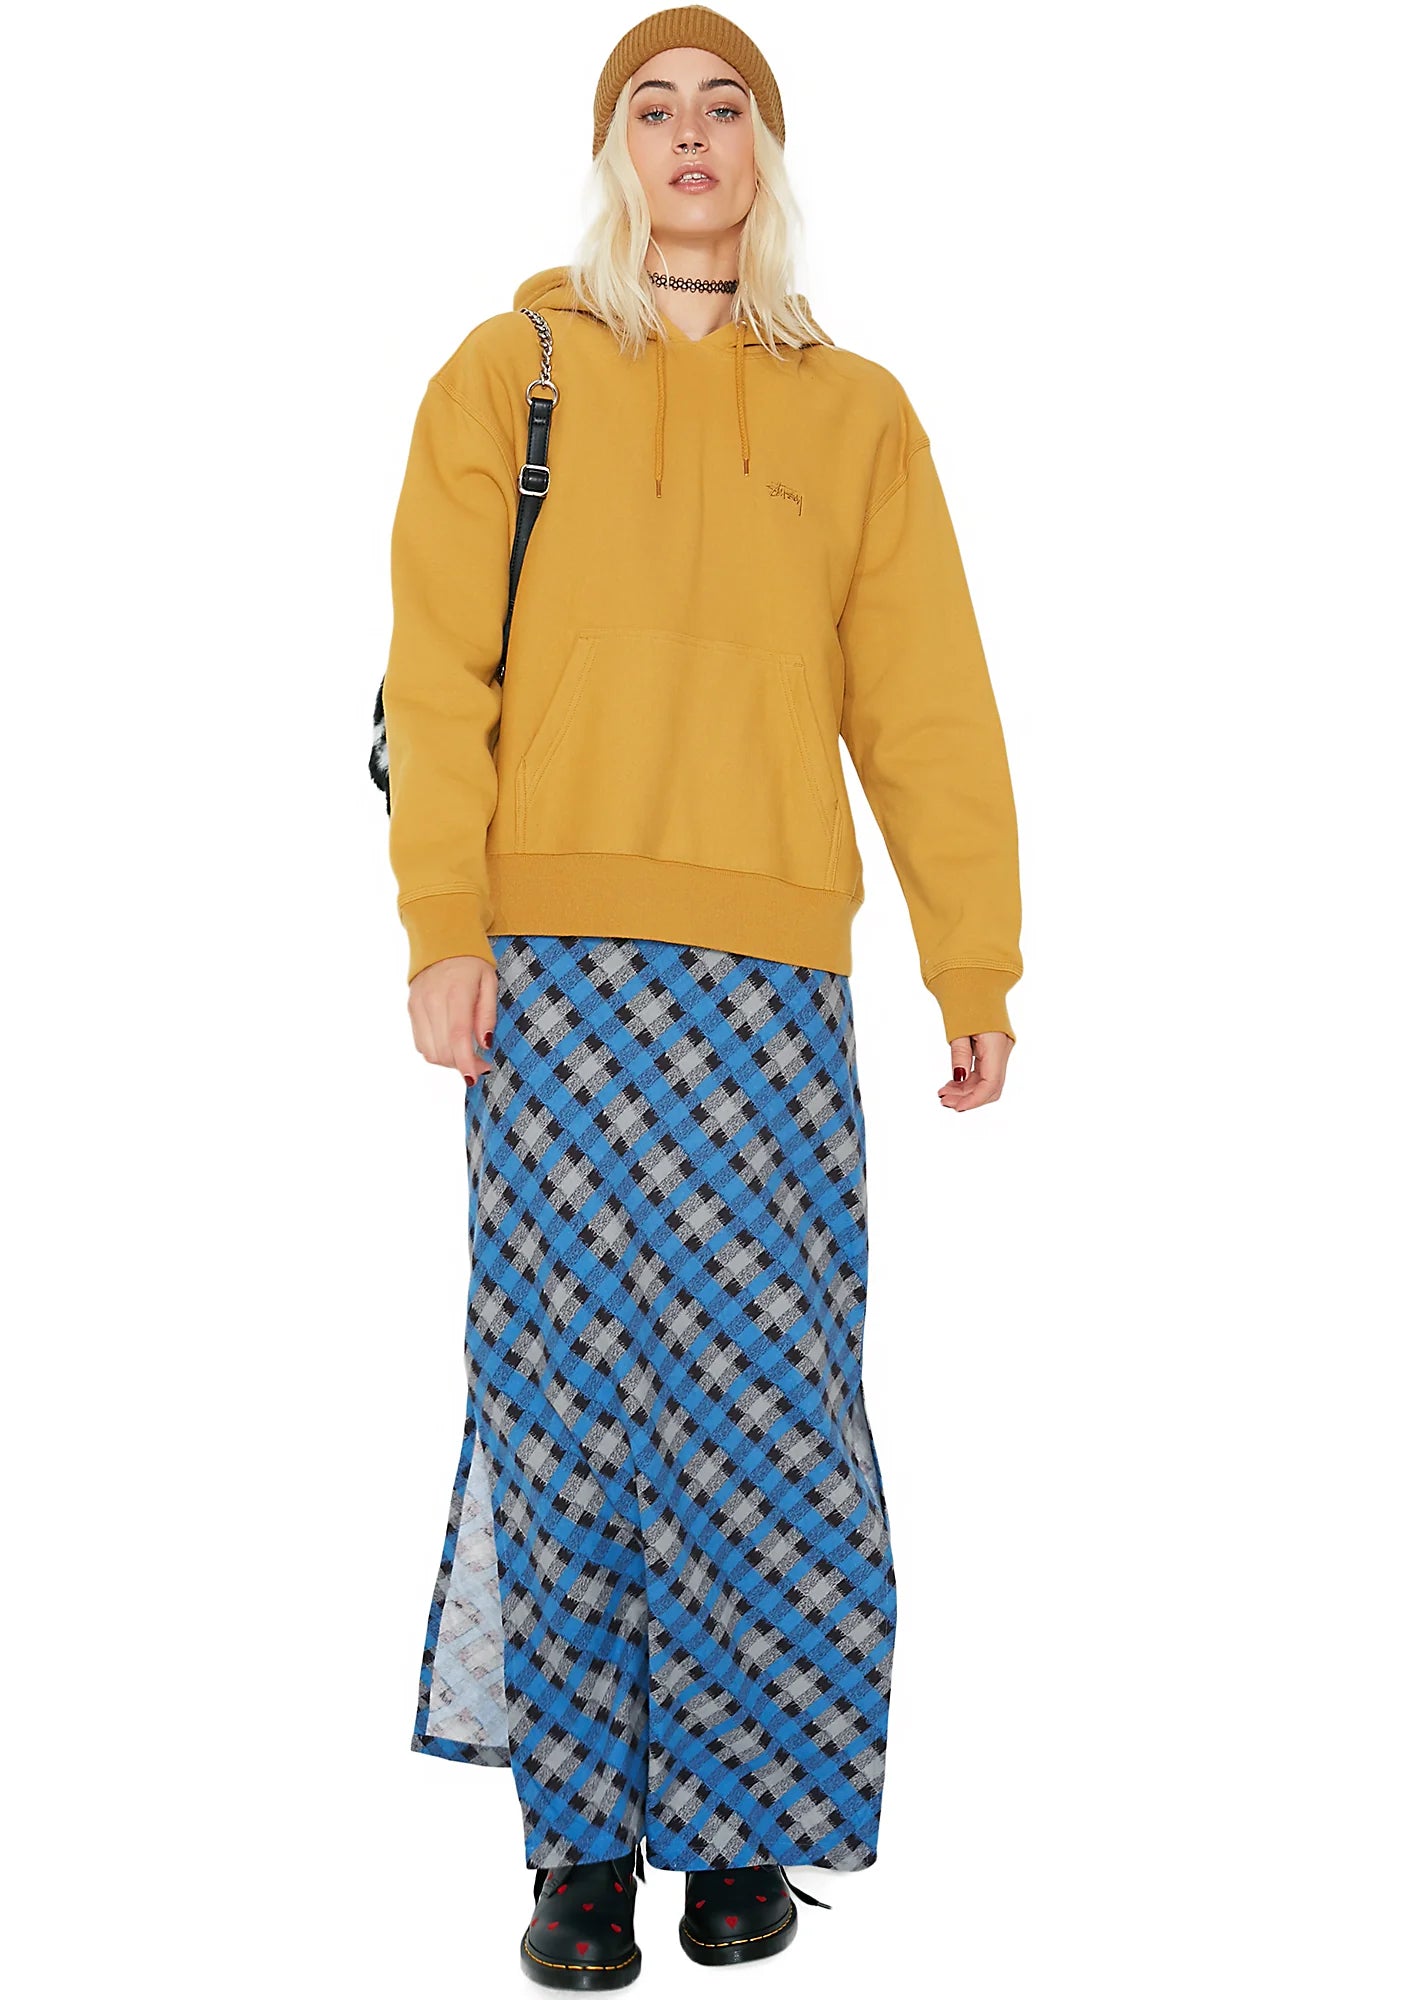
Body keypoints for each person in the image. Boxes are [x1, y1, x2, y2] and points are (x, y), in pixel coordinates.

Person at [377, 6, 1023, 1986]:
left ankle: (741, 1831)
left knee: (767, 1410)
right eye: (649, 107)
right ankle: (582, 1849)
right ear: (609, 151)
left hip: (769, 990)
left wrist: (971, 953)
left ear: (764, 151)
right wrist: (443, 922)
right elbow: (437, 671)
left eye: (721, 106)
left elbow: (923, 705)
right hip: (552, 979)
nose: (686, 134)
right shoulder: (507, 377)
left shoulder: (855, 413)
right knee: (566, 1403)